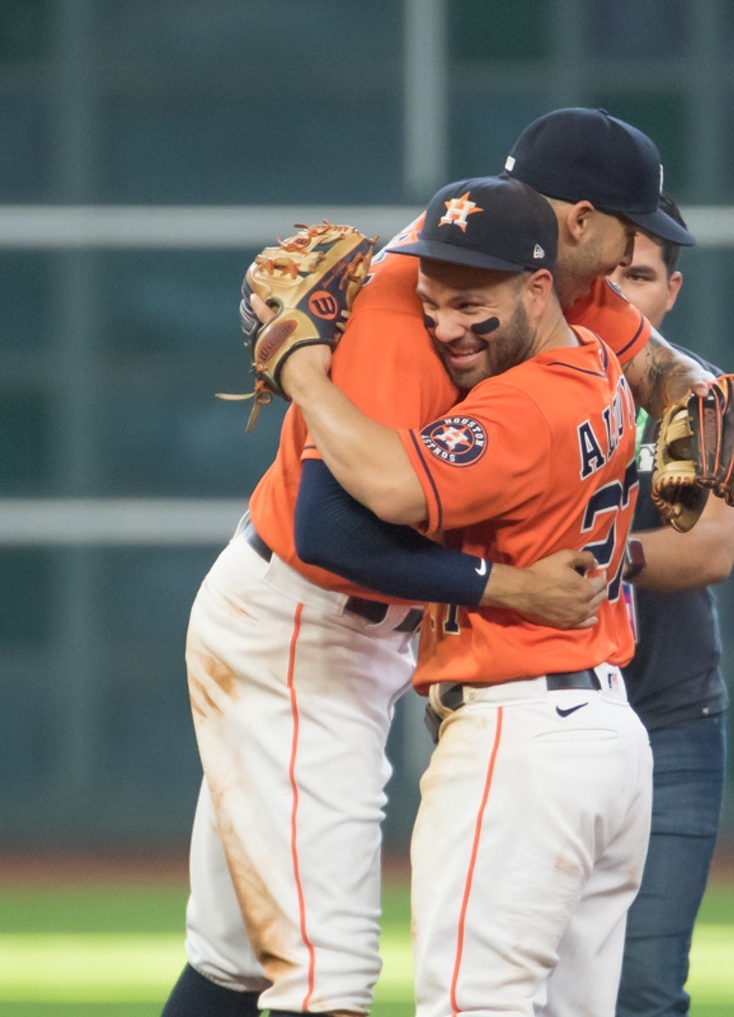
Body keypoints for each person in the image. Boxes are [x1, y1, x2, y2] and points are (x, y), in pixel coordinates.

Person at [165, 108, 714, 1017]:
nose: (630, 255)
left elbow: (664, 367)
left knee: (234, 956)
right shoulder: (417, 314)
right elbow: (331, 534)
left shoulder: (554, 291)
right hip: (298, 628)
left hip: (385, 635)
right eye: (627, 228)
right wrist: (501, 585)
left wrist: (711, 393)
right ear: (578, 223)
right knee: (323, 979)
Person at [283, 173, 652, 1017]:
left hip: (522, 738)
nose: (446, 325)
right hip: (605, 741)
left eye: (470, 302)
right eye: (432, 301)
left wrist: (304, 373)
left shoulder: (523, 406)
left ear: (537, 286)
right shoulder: (599, 366)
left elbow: (383, 493)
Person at [608, 197, 734, 1017]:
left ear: (672, 292)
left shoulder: (710, 400)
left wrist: (593, 558)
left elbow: (710, 549)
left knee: (647, 987)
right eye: (611, 273)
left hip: (672, 716)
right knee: (533, 981)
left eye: (643, 276)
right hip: (532, 709)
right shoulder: (519, 385)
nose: (623, 293)